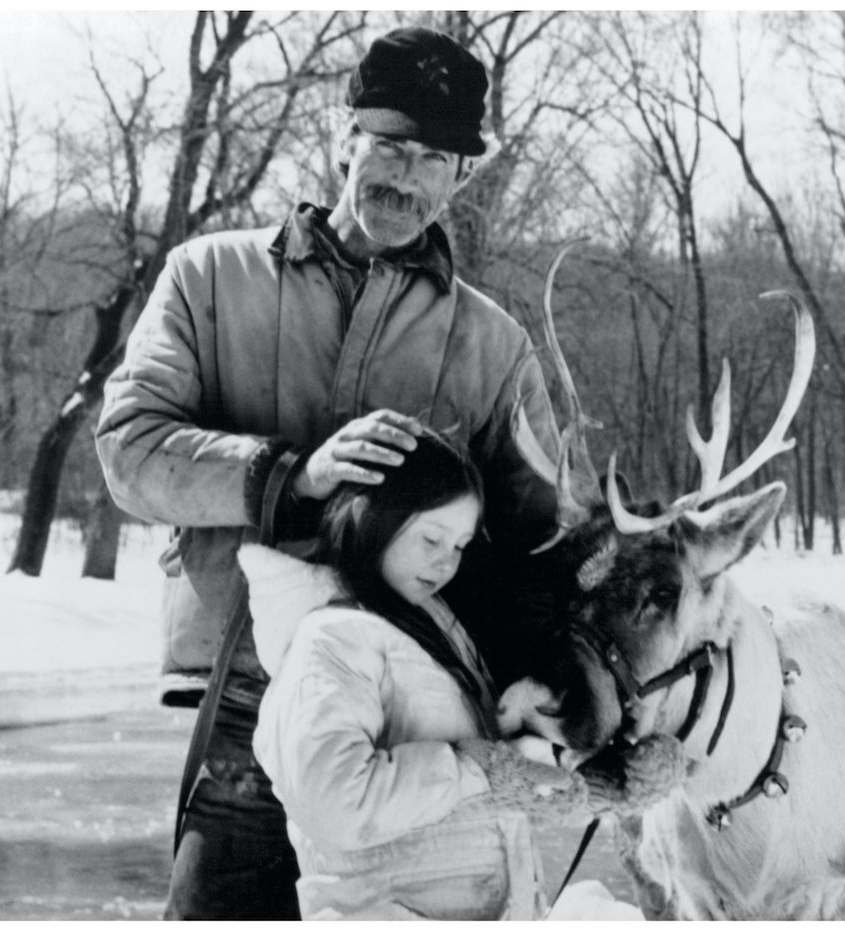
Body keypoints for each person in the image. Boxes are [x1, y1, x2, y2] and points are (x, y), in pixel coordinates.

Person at [95, 26, 565, 919]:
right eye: (390, 146)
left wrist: (542, 678)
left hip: (412, 706)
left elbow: (540, 544)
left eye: (435, 159)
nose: (407, 177)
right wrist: (287, 475)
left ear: (461, 176)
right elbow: (128, 450)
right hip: (244, 689)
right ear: (345, 136)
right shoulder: (208, 276)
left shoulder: (495, 347)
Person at [240, 430, 587, 920]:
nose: (447, 561)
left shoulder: (435, 629)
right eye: (432, 538)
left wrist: (597, 783)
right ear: (371, 515)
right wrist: (474, 769)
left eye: (461, 545)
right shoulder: (331, 642)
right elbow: (334, 805)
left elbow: (484, 780)